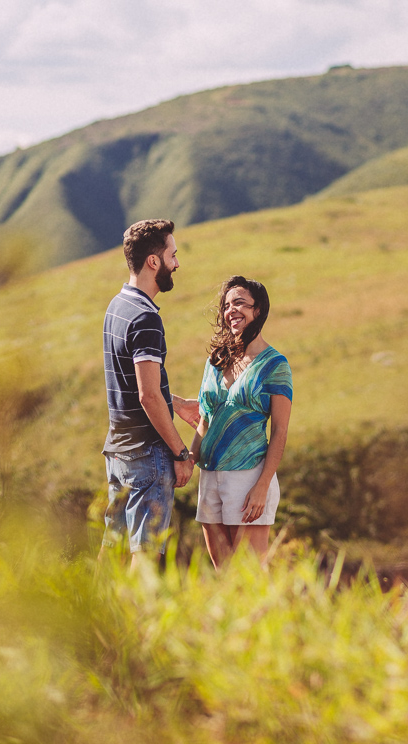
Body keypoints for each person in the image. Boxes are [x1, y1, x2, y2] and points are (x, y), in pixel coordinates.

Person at [101, 219, 200, 566]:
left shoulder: (116, 307)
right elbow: (147, 396)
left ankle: (91, 620)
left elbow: (133, 385)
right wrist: (181, 452)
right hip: (147, 457)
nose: (177, 264)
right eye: (173, 255)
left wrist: (178, 403)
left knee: (110, 553)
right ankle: (131, 622)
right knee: (143, 560)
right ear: (153, 262)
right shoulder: (146, 318)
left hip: (118, 453)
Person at [191, 276, 293, 568]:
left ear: (257, 310)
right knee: (223, 573)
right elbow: (205, 420)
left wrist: (262, 486)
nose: (231, 310)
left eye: (240, 303)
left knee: (248, 578)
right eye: (226, 305)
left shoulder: (275, 364)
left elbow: (280, 431)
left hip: (248, 476)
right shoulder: (215, 361)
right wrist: (188, 459)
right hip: (209, 475)